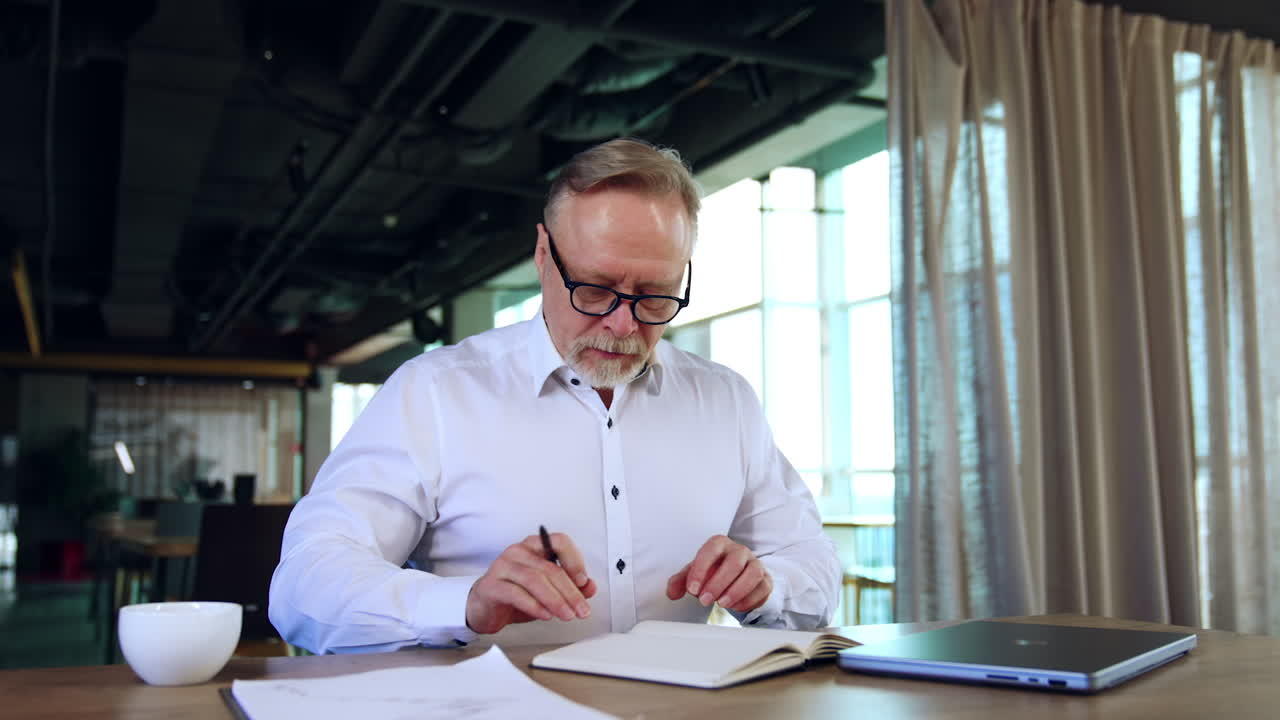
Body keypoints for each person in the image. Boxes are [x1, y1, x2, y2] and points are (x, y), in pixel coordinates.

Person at [269, 137, 841, 653]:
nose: (622, 325)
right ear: (544, 254)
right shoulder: (436, 393)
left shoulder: (726, 403)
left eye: (655, 296)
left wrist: (768, 587)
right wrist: (465, 603)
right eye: (595, 289)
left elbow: (814, 570)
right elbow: (303, 588)